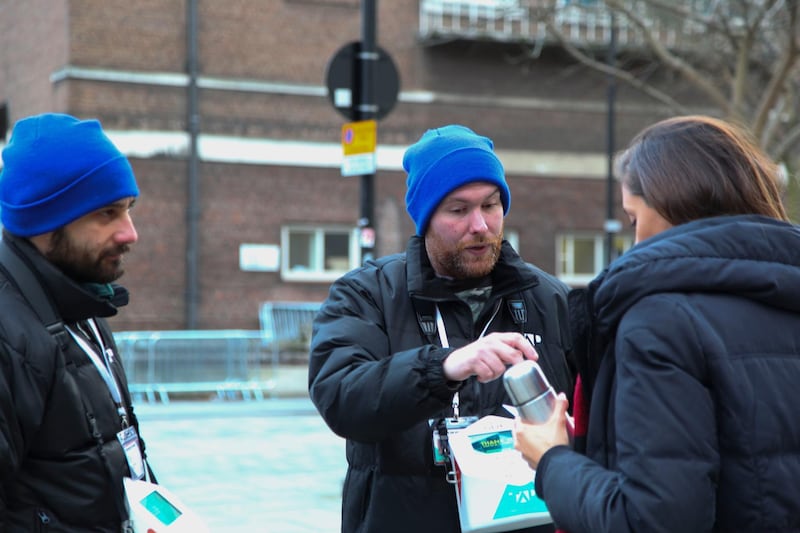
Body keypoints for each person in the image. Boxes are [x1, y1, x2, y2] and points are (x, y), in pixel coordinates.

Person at [513, 115, 800, 532]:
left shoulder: (661, 321)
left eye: (633, 220)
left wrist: (553, 460)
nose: (635, 242)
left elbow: (655, 520)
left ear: (672, 204)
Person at [309, 124, 575, 533]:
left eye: (490, 205)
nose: (481, 225)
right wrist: (445, 367)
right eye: (458, 210)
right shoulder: (367, 294)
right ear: (426, 215)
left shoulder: (550, 299)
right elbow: (342, 398)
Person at [0, 113, 153, 531]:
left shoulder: (80, 301)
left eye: (128, 209)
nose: (130, 233)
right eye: (107, 213)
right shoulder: (9, 333)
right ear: (45, 222)